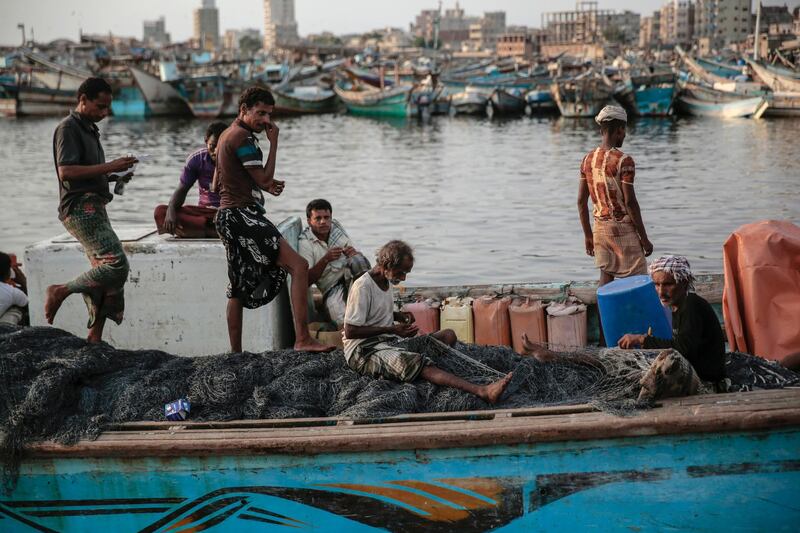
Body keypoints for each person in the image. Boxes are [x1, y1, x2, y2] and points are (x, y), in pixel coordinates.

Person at [212, 86, 332, 353]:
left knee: (237, 286)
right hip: (243, 216)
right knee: (299, 266)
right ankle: (302, 339)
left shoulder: (226, 135)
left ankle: (236, 353)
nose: (266, 121)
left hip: (227, 216)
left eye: (269, 115)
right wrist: (274, 142)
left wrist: (261, 186)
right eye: (261, 113)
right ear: (244, 110)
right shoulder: (243, 138)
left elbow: (219, 181)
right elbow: (263, 178)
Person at [343, 240, 512, 404]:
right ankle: (483, 391)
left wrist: (398, 316)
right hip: (364, 351)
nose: (403, 278)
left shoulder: (385, 281)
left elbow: (374, 312)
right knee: (418, 362)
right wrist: (393, 330)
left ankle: (423, 371)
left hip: (388, 342)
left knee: (448, 335)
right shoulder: (362, 287)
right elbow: (351, 331)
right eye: (401, 272)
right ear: (387, 266)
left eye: (406, 273)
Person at [44, 77, 137, 343]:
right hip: (79, 207)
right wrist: (110, 166)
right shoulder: (69, 128)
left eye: (107, 108)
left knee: (105, 278)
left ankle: (94, 338)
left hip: (93, 205)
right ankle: (60, 291)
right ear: (82, 99)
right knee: (116, 265)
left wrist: (116, 175)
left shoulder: (89, 128)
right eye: (99, 107)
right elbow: (67, 172)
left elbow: (86, 173)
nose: (104, 113)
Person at [618, 255, 726, 383]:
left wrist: (642, 339)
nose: (660, 292)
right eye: (657, 285)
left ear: (684, 282)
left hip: (706, 378)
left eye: (668, 284)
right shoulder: (677, 305)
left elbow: (683, 350)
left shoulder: (692, 305)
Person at [578, 105, 653, 287]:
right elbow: (630, 203)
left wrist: (588, 235)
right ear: (619, 130)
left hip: (600, 229)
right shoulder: (624, 161)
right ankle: (636, 316)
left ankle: (606, 315)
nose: (625, 135)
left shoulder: (587, 159)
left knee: (606, 275)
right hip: (623, 229)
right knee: (637, 280)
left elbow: (581, 202)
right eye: (624, 131)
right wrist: (644, 238)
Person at [154, 121, 228, 238]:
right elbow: (182, 189)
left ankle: (202, 231)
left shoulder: (236, 159)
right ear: (206, 141)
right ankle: (214, 231)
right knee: (161, 211)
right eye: (212, 146)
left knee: (234, 218)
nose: (216, 152)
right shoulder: (196, 159)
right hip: (203, 213)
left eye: (221, 147)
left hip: (227, 212)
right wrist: (171, 210)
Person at [298, 199, 365, 326]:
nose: (323, 222)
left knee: (359, 260)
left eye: (326, 217)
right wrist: (326, 259)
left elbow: (358, 263)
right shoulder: (305, 243)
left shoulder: (336, 229)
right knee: (343, 319)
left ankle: (370, 296)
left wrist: (352, 253)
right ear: (309, 221)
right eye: (318, 218)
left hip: (351, 278)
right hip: (331, 288)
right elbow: (306, 281)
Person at [0, 252, 28, 325]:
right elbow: (28, 304)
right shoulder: (12, 292)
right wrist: (23, 282)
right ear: (9, 272)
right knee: (17, 308)